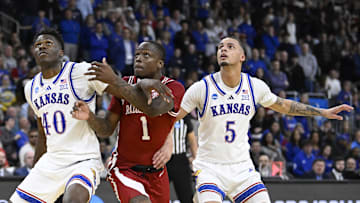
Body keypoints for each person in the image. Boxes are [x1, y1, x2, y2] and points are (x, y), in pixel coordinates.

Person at [175, 37, 353, 203]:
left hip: (242, 168)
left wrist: (322, 112)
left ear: (242, 56)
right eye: (220, 47)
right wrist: (167, 143)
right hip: (210, 167)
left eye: (230, 47)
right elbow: (173, 119)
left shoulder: (254, 86)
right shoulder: (201, 88)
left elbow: (285, 106)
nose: (223, 49)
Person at [10, 29, 172, 203]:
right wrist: (36, 171)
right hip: (51, 162)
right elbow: (43, 133)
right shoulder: (31, 88)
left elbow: (124, 92)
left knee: (73, 201)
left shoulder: (82, 71)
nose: (42, 47)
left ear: (61, 52)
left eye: (48, 43)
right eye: (38, 45)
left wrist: (144, 84)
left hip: (83, 160)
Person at [71, 41, 185, 202]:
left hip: (157, 173)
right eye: (137, 54)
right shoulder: (125, 82)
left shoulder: (174, 87)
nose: (139, 58)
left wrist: (115, 80)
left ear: (160, 63)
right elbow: (106, 129)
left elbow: (153, 110)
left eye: (146, 55)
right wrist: (90, 116)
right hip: (125, 168)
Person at [166, 116, 198, 203]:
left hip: (180, 160)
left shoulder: (184, 117)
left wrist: (196, 159)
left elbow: (192, 138)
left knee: (186, 196)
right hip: (163, 160)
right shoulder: (161, 114)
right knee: (159, 196)